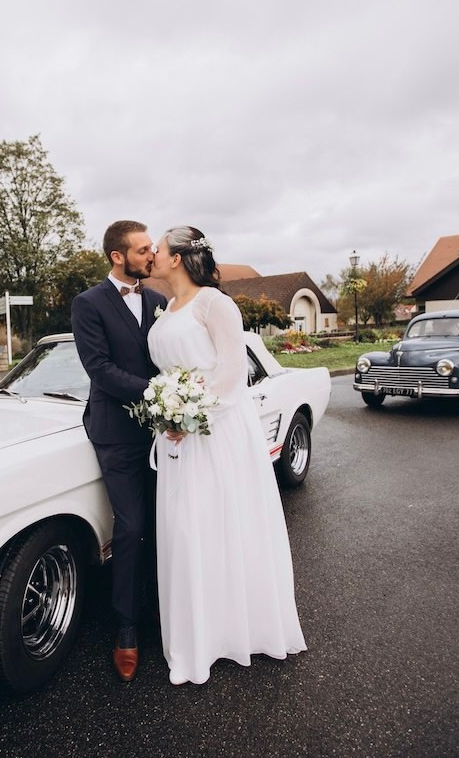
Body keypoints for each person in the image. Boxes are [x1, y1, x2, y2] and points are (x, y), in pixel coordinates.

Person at [147, 225, 306, 685]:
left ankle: (240, 628)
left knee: (221, 523)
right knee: (185, 530)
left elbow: (233, 374)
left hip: (216, 432)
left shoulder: (216, 304)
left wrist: (188, 416)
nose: (153, 255)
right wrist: (167, 412)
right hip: (178, 440)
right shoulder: (166, 310)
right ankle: (199, 634)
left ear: (177, 258)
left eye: (158, 249)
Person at [71, 220, 167, 682]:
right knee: (130, 527)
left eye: (151, 248)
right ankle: (126, 625)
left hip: (166, 432)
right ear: (117, 256)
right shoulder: (88, 304)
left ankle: (160, 606)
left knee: (165, 521)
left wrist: (179, 399)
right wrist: (160, 392)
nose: (152, 255)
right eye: (144, 249)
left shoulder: (159, 301)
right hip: (116, 432)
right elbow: (100, 369)